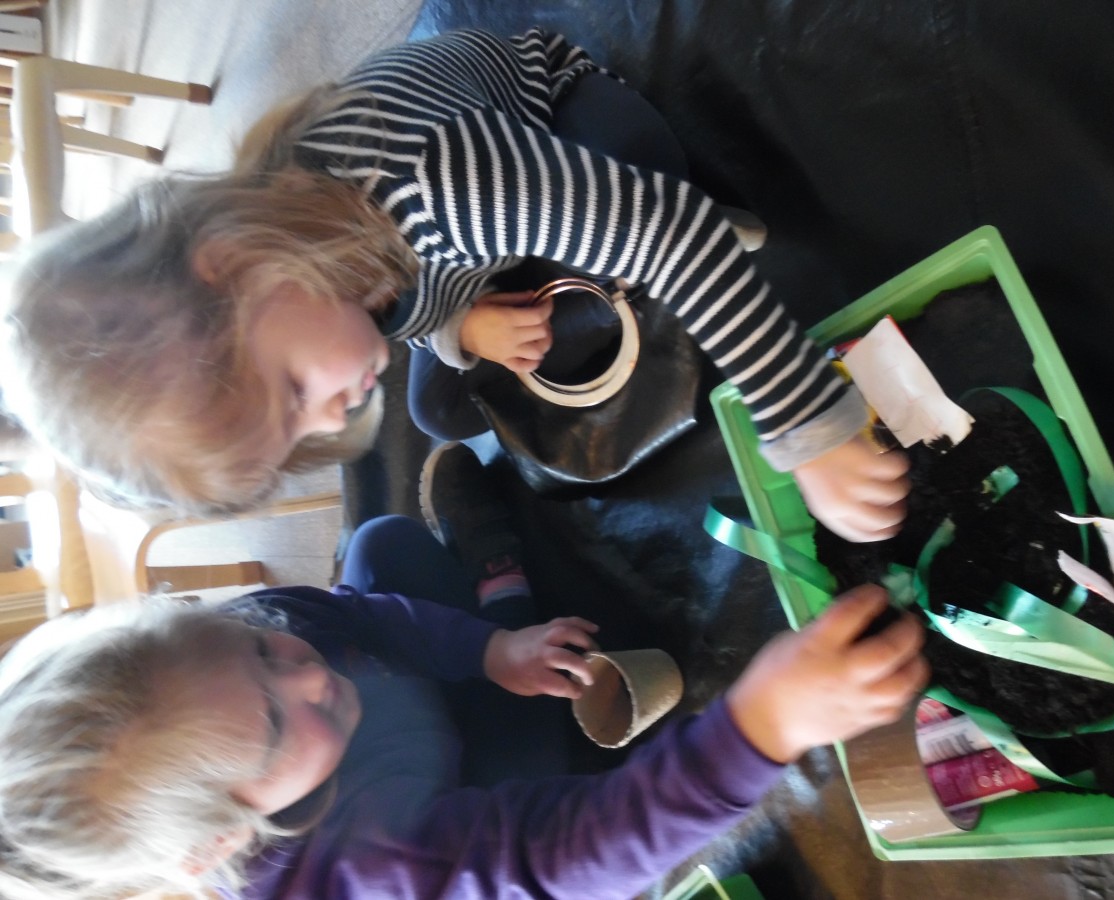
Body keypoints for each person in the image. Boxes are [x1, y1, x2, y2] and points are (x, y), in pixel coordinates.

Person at [0, 26, 908, 542]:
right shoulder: (306, 275)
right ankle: (551, 260)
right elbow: (402, 310)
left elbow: (673, 236)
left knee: (659, 217)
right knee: (435, 410)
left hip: (557, 111)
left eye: (293, 392)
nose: (329, 417)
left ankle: (625, 218)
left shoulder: (436, 183)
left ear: (232, 263)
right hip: (455, 259)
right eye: (296, 435)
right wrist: (460, 329)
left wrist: (810, 428)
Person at [0, 509, 926, 900]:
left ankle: (504, 609)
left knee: (382, 542)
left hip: (410, 713)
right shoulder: (360, 873)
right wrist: (760, 730)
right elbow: (563, 854)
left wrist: (490, 652)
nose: (306, 673)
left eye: (259, 649)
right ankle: (504, 584)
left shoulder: (244, 636)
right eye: (276, 723)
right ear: (219, 843)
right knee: (559, 771)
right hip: (450, 799)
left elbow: (355, 617)